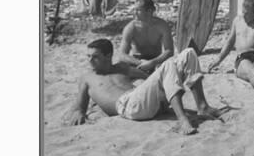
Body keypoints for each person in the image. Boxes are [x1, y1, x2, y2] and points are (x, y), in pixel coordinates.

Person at [62, 39, 222, 135]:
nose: (90, 61)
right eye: (88, 56)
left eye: (95, 57)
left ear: (108, 56)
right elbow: (79, 105)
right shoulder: (87, 78)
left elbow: (150, 79)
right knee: (167, 66)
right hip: (127, 107)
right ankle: (182, 120)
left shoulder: (122, 68)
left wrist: (163, 83)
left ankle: (202, 106)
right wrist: (79, 112)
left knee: (189, 53)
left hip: (143, 101)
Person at [208, 0, 254, 90]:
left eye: (247, 13)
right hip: (242, 58)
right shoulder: (237, 21)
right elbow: (229, 42)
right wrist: (218, 59)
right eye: (243, 12)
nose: (243, 15)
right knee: (248, 68)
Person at [118, 0, 174, 73]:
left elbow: (169, 51)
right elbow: (122, 54)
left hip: (156, 61)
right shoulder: (131, 27)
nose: (134, 13)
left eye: (138, 10)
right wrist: (140, 63)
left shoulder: (162, 26)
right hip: (137, 62)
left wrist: (152, 62)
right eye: (134, 10)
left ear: (149, 11)